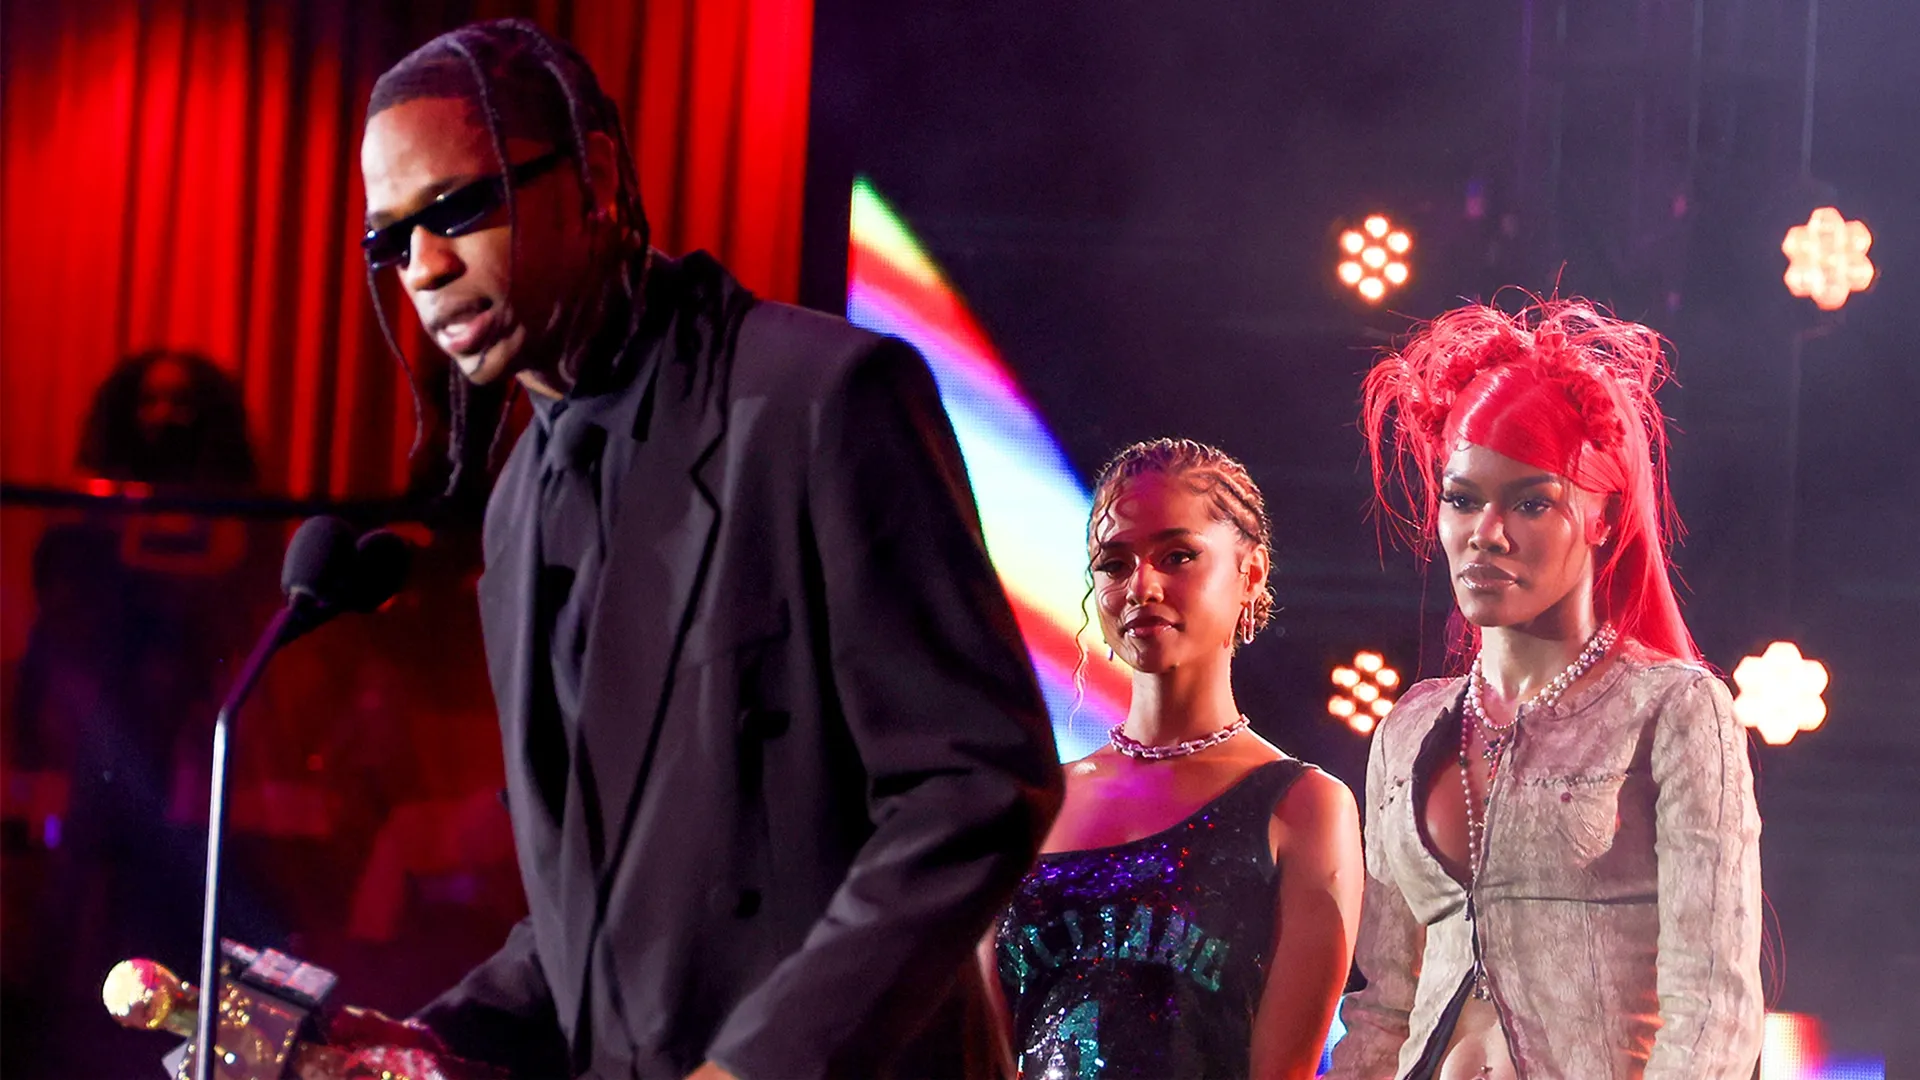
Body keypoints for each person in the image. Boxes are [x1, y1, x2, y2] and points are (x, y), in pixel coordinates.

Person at [354, 19, 1062, 1080]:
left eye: (458, 208)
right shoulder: (513, 510)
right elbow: (583, 923)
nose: (424, 266)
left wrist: (757, 1068)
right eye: (390, 240)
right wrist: (423, 1047)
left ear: (593, 174)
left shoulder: (820, 399)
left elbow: (975, 785)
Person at [1325, 298, 1763, 1079]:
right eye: (1461, 499)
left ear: (1604, 514)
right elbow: (1383, 1003)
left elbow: (1713, 1011)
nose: (1486, 533)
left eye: (1531, 502)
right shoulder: (1408, 728)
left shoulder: (1670, 709)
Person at [988, 438, 1363, 1079]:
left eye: (1178, 555)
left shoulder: (1302, 807)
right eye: (1113, 563)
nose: (1142, 585)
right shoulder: (1031, 802)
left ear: (1250, 573)